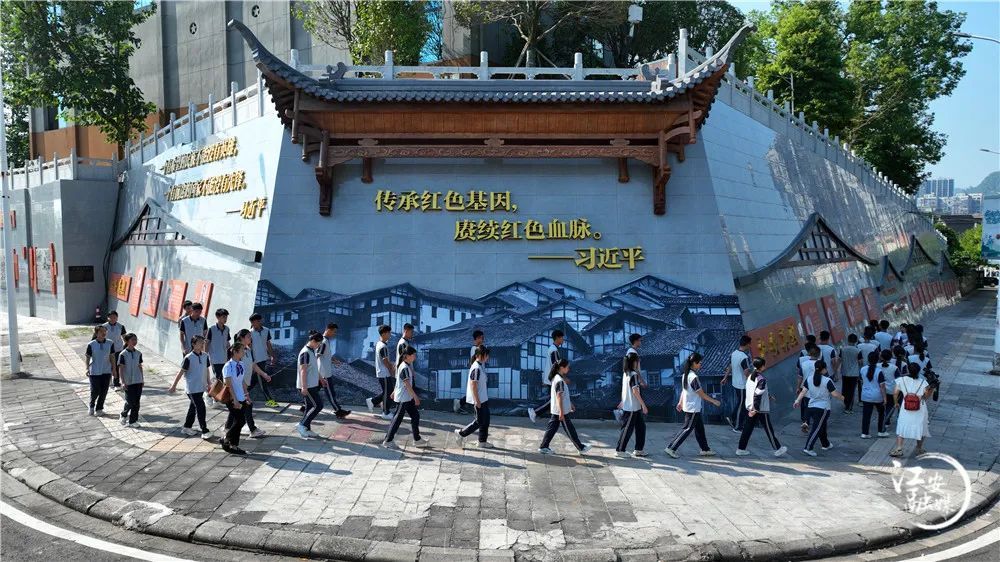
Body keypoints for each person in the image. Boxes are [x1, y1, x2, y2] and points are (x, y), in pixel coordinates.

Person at [664, 353, 721, 458]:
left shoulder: (686, 375)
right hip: (693, 408)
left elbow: (684, 390)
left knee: (700, 429)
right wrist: (713, 401)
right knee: (687, 429)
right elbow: (701, 393)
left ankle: (705, 449)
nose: (700, 364)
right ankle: (671, 448)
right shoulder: (693, 377)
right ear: (694, 363)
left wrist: (680, 402)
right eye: (699, 363)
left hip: (690, 406)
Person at [736, 358, 787, 457]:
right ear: (762, 366)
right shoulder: (761, 379)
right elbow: (757, 394)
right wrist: (755, 409)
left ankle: (741, 449)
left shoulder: (750, 376)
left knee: (747, 429)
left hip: (750, 407)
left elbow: (755, 392)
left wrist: (767, 396)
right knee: (768, 429)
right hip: (760, 409)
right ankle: (778, 448)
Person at [538, 359, 591, 455]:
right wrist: (561, 412)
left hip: (557, 410)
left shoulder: (557, 378)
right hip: (560, 410)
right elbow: (559, 396)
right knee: (570, 429)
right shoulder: (559, 380)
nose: (568, 369)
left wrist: (570, 404)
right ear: (562, 368)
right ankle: (580, 448)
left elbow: (563, 395)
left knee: (552, 429)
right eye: (567, 367)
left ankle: (544, 447)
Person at [794, 359, 843, 457]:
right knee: (817, 428)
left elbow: (803, 391)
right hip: (823, 408)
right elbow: (834, 394)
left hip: (811, 406)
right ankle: (808, 448)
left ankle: (826, 444)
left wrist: (797, 401)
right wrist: (843, 398)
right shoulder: (827, 380)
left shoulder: (809, 379)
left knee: (822, 426)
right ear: (823, 369)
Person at [168, 335, 213, 439]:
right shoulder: (188, 358)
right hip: (192, 389)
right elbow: (181, 372)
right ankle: (204, 430)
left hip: (201, 387)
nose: (202, 344)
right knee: (201, 408)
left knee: (193, 407)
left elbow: (206, 370)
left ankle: (187, 427)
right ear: (193, 344)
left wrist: (209, 383)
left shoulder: (205, 356)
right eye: (200, 342)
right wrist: (174, 386)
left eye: (203, 342)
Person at [383, 346, 427, 449]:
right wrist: (415, 397)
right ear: (407, 356)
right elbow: (407, 384)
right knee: (397, 419)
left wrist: (394, 392)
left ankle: (417, 439)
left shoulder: (404, 365)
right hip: (404, 398)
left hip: (406, 397)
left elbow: (399, 382)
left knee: (415, 415)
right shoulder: (404, 367)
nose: (415, 357)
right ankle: (388, 440)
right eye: (413, 355)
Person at [890, 363, 933, 457]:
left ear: (908, 370)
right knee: (921, 426)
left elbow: (895, 393)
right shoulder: (924, 382)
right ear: (918, 371)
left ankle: (899, 448)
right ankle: (919, 448)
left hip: (905, 407)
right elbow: (926, 397)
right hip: (920, 408)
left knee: (902, 425)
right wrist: (931, 390)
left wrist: (896, 403)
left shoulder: (901, 380)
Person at [233, 329, 269, 438]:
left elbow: (253, 365)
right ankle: (252, 429)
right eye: (248, 336)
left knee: (238, 407)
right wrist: (244, 390)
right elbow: (236, 370)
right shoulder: (236, 351)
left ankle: (228, 428)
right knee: (247, 405)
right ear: (242, 338)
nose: (250, 338)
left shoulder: (248, 350)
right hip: (239, 383)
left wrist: (264, 374)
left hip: (245, 383)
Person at [455, 345, 493, 448]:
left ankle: (482, 442)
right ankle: (460, 433)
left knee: (486, 420)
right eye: (486, 355)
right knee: (479, 421)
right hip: (479, 400)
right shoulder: (476, 367)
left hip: (483, 399)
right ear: (481, 355)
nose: (488, 357)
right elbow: (473, 384)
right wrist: (477, 401)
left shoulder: (480, 366)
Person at [615, 352, 647, 458]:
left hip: (634, 407)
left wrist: (623, 401)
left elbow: (625, 390)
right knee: (627, 429)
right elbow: (635, 391)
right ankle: (620, 450)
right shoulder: (633, 375)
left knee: (641, 427)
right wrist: (643, 405)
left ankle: (638, 450)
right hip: (632, 408)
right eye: (638, 361)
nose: (639, 363)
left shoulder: (627, 373)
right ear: (634, 362)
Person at [528, 330, 564, 423]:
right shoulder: (554, 350)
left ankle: (556, 419)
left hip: (551, 378)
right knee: (555, 399)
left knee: (556, 400)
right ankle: (535, 412)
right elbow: (556, 366)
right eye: (562, 338)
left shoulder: (552, 349)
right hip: (553, 379)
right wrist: (561, 378)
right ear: (557, 338)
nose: (563, 340)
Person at [317, 323, 351, 419]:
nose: (334, 334)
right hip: (324, 373)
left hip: (323, 372)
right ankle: (338, 411)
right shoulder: (323, 342)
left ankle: (304, 407)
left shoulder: (325, 341)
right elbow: (316, 356)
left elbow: (326, 355)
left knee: (314, 391)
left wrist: (334, 360)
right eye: (334, 332)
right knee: (330, 393)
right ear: (328, 330)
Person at [297, 333, 327, 439]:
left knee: (309, 407)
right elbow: (303, 370)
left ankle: (307, 429)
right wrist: (304, 387)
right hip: (307, 386)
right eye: (318, 344)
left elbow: (313, 368)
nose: (319, 346)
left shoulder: (311, 351)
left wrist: (321, 379)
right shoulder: (305, 352)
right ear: (313, 341)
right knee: (318, 406)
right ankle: (302, 425)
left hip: (311, 385)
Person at [221, 343, 249, 455]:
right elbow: (228, 385)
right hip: (232, 398)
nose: (244, 352)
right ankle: (226, 438)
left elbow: (242, 381)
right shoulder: (228, 366)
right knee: (240, 421)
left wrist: (246, 395)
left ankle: (233, 445)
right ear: (235, 352)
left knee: (239, 421)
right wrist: (235, 399)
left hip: (241, 396)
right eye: (242, 350)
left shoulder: (241, 364)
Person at [721, 335, 752, 433]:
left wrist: (725, 377)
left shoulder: (734, 353)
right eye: (750, 344)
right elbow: (746, 372)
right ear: (747, 344)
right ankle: (737, 426)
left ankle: (733, 418)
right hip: (742, 385)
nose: (750, 346)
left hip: (735, 383)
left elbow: (730, 366)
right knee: (741, 405)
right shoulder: (744, 357)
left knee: (740, 403)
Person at [249, 313, 279, 408]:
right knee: (262, 381)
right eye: (252, 322)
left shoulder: (266, 330)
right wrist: (252, 360)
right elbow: (249, 348)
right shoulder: (249, 333)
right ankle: (269, 401)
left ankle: (240, 394)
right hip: (255, 361)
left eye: (257, 321)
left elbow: (268, 344)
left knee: (254, 381)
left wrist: (272, 356)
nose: (254, 324)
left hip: (263, 359)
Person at [614, 333, 646, 423]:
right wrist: (641, 380)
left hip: (631, 392)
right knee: (630, 421)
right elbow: (636, 369)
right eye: (640, 340)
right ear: (635, 341)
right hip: (632, 399)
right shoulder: (632, 353)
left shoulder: (631, 352)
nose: (641, 342)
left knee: (637, 421)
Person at [84, 325, 115, 416]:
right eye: (101, 331)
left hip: (106, 370)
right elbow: (87, 357)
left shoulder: (110, 343)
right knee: (95, 390)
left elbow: (112, 357)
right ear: (96, 333)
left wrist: (114, 369)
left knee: (104, 391)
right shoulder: (91, 344)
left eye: (105, 331)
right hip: (94, 371)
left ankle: (99, 409)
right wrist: (87, 368)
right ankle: (91, 406)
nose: (103, 333)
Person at [366, 325, 395, 419]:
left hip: (383, 373)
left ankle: (372, 401)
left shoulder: (379, 344)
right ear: (384, 334)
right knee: (388, 392)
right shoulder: (382, 346)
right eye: (389, 333)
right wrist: (391, 370)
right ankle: (385, 413)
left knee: (388, 391)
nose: (390, 335)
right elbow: (385, 361)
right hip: (384, 373)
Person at [858, 351, 888, 439]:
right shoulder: (879, 371)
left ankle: (864, 433)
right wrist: (885, 398)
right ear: (877, 360)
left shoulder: (862, 369)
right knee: (881, 413)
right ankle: (881, 431)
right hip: (877, 396)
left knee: (866, 415)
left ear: (868, 359)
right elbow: (882, 386)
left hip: (865, 395)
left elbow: (860, 380)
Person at [117, 333, 144, 428]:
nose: (134, 341)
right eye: (132, 340)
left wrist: (142, 379)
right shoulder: (123, 354)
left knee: (137, 402)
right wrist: (122, 381)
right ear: (127, 341)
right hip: (128, 381)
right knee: (130, 401)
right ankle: (123, 414)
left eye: (135, 339)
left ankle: (133, 421)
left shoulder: (138, 353)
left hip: (138, 380)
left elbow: (140, 366)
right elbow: (121, 368)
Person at [454, 330, 484, 414]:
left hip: (479, 373)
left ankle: (460, 403)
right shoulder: (474, 349)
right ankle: (460, 403)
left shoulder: (479, 348)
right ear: (476, 339)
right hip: (476, 373)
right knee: (475, 392)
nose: (482, 340)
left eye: (482, 338)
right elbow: (475, 362)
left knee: (476, 392)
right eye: (481, 338)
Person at [796, 345, 821, 433]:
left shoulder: (804, 364)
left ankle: (806, 423)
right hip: (818, 389)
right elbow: (825, 376)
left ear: (809, 353)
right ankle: (817, 423)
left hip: (806, 389)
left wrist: (798, 387)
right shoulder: (821, 364)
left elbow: (800, 377)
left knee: (807, 407)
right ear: (819, 354)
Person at [103, 311, 127, 391]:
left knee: (116, 367)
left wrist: (124, 348)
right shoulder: (103, 326)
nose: (113, 319)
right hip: (106, 350)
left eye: (114, 317)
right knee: (107, 366)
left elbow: (125, 338)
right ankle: (108, 382)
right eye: (111, 317)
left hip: (118, 350)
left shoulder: (121, 326)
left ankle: (116, 383)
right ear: (108, 318)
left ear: (117, 318)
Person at [206, 308, 231, 383]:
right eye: (223, 317)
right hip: (215, 358)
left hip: (224, 358)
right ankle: (213, 389)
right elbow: (207, 343)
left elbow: (227, 342)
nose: (225, 319)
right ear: (217, 317)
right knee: (218, 378)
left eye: (226, 317)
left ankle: (216, 390)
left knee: (224, 377)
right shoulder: (211, 329)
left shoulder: (227, 329)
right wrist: (205, 356)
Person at [840, 334, 862, 414]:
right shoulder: (858, 350)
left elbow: (839, 359)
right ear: (856, 341)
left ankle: (846, 403)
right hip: (854, 373)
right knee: (851, 390)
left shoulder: (842, 349)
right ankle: (849, 407)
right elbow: (860, 362)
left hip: (844, 372)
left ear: (848, 340)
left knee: (845, 389)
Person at [878, 349, 899, 428]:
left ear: (881, 357)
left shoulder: (877, 366)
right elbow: (898, 379)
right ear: (891, 357)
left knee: (881, 406)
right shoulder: (894, 367)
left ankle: (882, 420)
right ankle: (887, 420)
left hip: (880, 389)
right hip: (891, 390)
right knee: (890, 406)